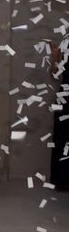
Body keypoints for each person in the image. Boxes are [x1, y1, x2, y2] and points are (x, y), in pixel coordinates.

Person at [50, 39, 69, 190]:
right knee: (62, 138)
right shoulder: (66, 43)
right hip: (65, 96)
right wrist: (55, 58)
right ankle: (62, 181)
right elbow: (55, 75)